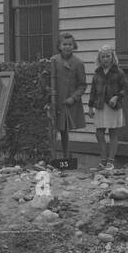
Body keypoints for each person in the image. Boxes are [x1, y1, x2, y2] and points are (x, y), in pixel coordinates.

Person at [43, 31, 86, 168]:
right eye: (64, 44)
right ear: (59, 46)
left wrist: (73, 98)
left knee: (64, 130)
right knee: (52, 129)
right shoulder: (54, 60)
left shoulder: (78, 63)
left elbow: (82, 85)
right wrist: (49, 92)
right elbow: (45, 78)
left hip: (67, 102)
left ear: (74, 46)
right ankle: (52, 157)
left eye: (70, 44)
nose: (67, 47)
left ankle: (66, 158)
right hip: (54, 100)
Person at [88, 45, 128, 170]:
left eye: (108, 56)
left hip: (113, 106)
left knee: (113, 132)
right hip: (99, 105)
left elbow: (126, 89)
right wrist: (90, 106)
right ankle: (103, 160)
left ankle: (111, 161)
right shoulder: (97, 73)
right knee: (99, 133)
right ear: (99, 58)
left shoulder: (119, 72)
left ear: (112, 57)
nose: (105, 59)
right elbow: (93, 91)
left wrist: (117, 97)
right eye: (103, 57)